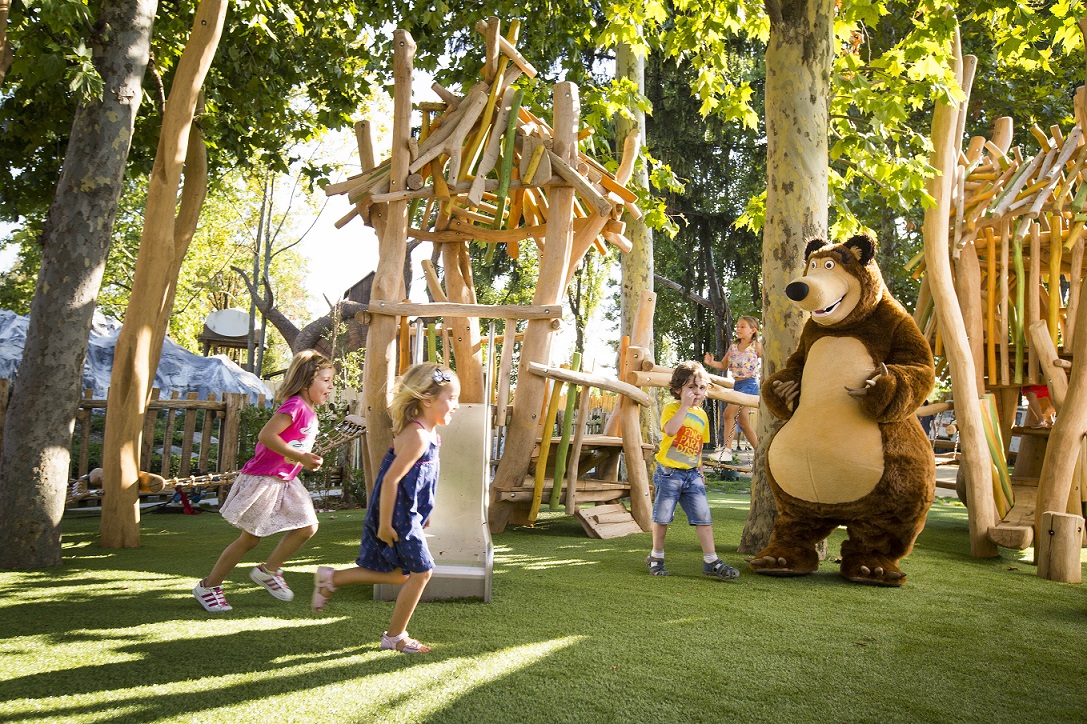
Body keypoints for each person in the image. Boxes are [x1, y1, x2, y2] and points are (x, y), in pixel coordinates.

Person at [312, 363, 460, 654]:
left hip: (408, 515)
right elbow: (391, 481)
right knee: (423, 573)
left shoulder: (429, 434)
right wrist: (385, 524)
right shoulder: (417, 436)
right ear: (427, 400)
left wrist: (423, 515)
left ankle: (333, 578)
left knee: (398, 575)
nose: (456, 405)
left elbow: (419, 482)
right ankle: (395, 637)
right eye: (451, 398)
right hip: (397, 517)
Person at [192, 350, 335, 612]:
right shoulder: (294, 406)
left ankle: (269, 571)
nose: (331, 387)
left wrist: (303, 458)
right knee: (250, 539)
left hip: (286, 481)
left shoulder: (310, 410)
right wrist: (300, 456)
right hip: (263, 480)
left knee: (307, 527)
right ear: (306, 382)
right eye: (326, 380)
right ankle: (208, 586)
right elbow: (267, 435)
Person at [646, 361, 740, 580]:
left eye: (700, 388)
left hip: (691, 474)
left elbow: (697, 446)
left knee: (703, 518)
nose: (696, 392)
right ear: (678, 390)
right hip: (669, 473)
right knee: (662, 518)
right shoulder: (672, 408)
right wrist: (684, 407)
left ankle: (711, 560)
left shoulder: (702, 416)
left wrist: (700, 470)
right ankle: (656, 556)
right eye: (691, 388)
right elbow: (670, 430)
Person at [703, 315, 763, 462]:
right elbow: (723, 365)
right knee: (743, 423)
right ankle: (761, 453)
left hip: (749, 384)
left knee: (728, 414)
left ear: (752, 330)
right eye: (737, 326)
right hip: (737, 385)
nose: (738, 329)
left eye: (743, 326)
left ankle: (727, 451)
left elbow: (767, 360)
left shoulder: (756, 346)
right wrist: (712, 363)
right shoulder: (733, 347)